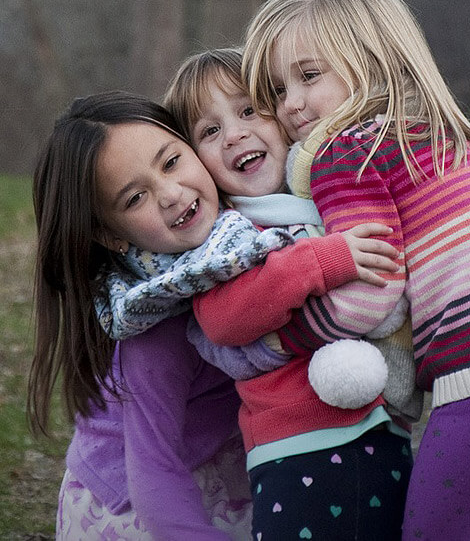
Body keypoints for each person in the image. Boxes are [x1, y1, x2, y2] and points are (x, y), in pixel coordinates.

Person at [163, 47, 470, 541]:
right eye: (209, 131)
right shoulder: (228, 235)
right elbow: (222, 315)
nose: (234, 134)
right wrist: (322, 261)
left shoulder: (334, 190)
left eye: (250, 110)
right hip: (299, 443)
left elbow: (439, 240)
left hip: (387, 430)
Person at [242, 0, 470, 540]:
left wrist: (286, 336)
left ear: (373, 61)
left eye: (309, 76)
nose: (292, 104)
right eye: (279, 90)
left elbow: (370, 291)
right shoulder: (445, 131)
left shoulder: (345, 151)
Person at [28, 91, 399, 540]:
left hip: (226, 455)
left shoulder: (239, 240)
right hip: (139, 504)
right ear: (110, 235)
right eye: (135, 198)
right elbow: (153, 473)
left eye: (171, 162)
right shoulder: (153, 322)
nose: (171, 194)